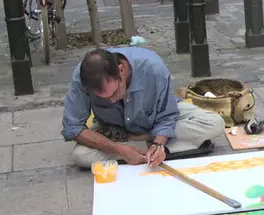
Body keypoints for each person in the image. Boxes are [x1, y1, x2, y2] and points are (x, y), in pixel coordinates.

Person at [62, 46, 224, 169]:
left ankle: (145, 147)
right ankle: (163, 149)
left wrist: (158, 142)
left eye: (114, 92)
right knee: (80, 156)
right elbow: (73, 127)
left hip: (153, 122)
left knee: (215, 123)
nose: (111, 101)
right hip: (115, 129)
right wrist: (119, 149)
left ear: (121, 70)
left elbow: (167, 116)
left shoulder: (153, 68)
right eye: (103, 98)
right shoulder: (82, 77)